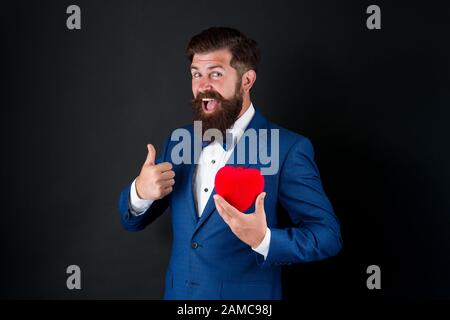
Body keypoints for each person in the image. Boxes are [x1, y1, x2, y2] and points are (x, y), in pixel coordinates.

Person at [118, 27, 342, 300]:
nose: (202, 86)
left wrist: (264, 240)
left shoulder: (289, 149)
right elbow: (131, 222)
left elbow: (327, 236)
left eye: (215, 73)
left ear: (247, 80)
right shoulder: (179, 141)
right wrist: (140, 193)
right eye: (196, 74)